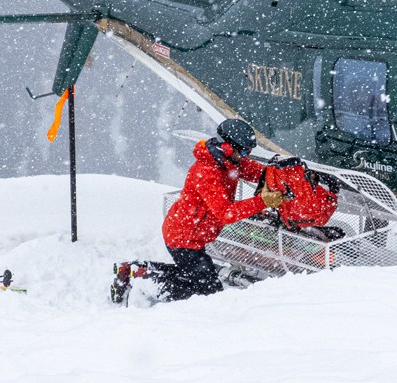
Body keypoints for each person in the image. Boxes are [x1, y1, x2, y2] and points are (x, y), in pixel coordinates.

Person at [111, 118, 288, 304]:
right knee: (207, 294)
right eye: (243, 150)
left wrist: (282, 177)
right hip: (183, 239)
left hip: (192, 234)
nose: (246, 155)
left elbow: (258, 172)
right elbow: (226, 213)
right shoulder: (207, 172)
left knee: (194, 275)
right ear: (227, 147)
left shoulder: (229, 162)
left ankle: (134, 270)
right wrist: (262, 201)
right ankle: (143, 281)